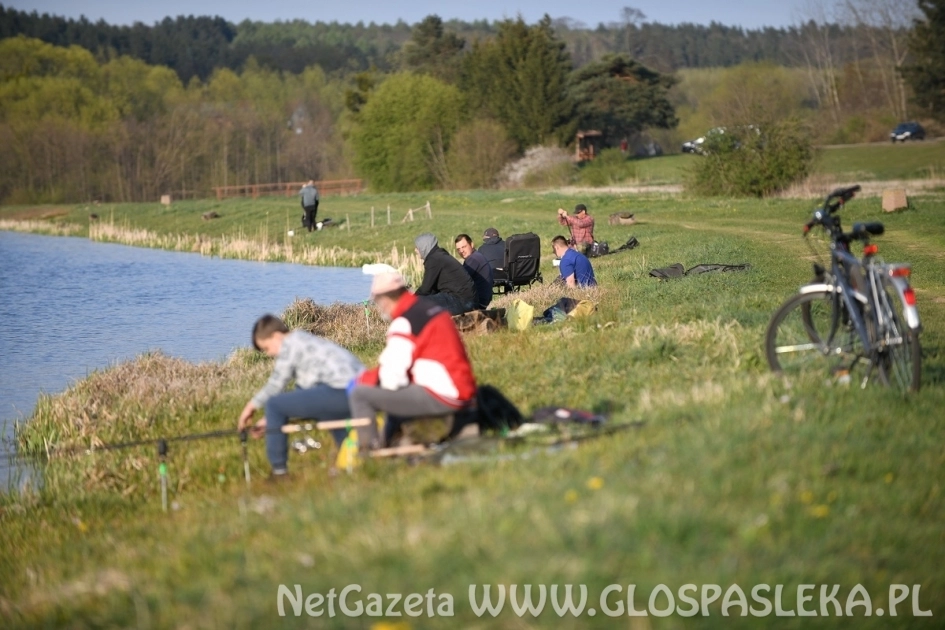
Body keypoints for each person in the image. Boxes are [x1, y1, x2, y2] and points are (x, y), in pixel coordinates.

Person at [349, 271, 477, 448]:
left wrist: (361, 381)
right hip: (464, 388)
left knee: (360, 395)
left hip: (445, 395)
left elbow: (391, 380)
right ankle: (392, 442)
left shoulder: (404, 323)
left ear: (384, 300)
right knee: (398, 396)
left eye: (378, 302)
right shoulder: (430, 309)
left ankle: (368, 453)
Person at [237, 314, 364, 478]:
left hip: (343, 391)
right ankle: (352, 459)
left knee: (274, 404)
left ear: (276, 336)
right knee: (324, 411)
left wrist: (250, 407)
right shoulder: (304, 340)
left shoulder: (291, 345)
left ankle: (279, 472)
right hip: (356, 391)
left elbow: (276, 385)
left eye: (267, 348)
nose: (269, 354)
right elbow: (305, 394)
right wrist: (271, 420)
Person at [414, 232, 477, 315]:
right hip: (468, 300)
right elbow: (431, 289)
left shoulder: (434, 259)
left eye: (417, 247)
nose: (415, 250)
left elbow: (425, 289)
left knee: (417, 302)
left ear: (424, 246)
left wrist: (410, 299)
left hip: (463, 302)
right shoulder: (439, 256)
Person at [454, 233, 493, 309]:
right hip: (483, 299)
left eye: (464, 247)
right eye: (458, 249)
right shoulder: (476, 256)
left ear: (471, 244)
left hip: (478, 302)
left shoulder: (473, 259)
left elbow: (459, 281)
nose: (461, 251)